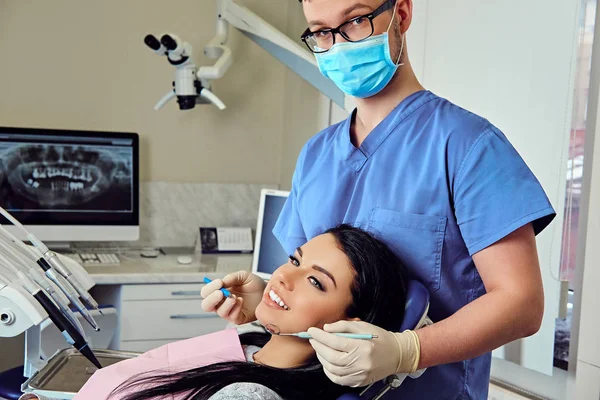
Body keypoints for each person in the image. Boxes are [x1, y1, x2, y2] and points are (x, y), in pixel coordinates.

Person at [210, 0, 557, 398]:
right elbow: (315, 285)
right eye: (321, 32)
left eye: (355, 21)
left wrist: (407, 351)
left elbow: (522, 303)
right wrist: (265, 301)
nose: (338, 45)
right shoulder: (317, 154)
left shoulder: (468, 147)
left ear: (402, 14)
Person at [20, 225, 409, 400]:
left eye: (316, 282)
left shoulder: (250, 394)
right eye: (294, 259)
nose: (284, 276)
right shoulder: (252, 340)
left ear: (349, 327)